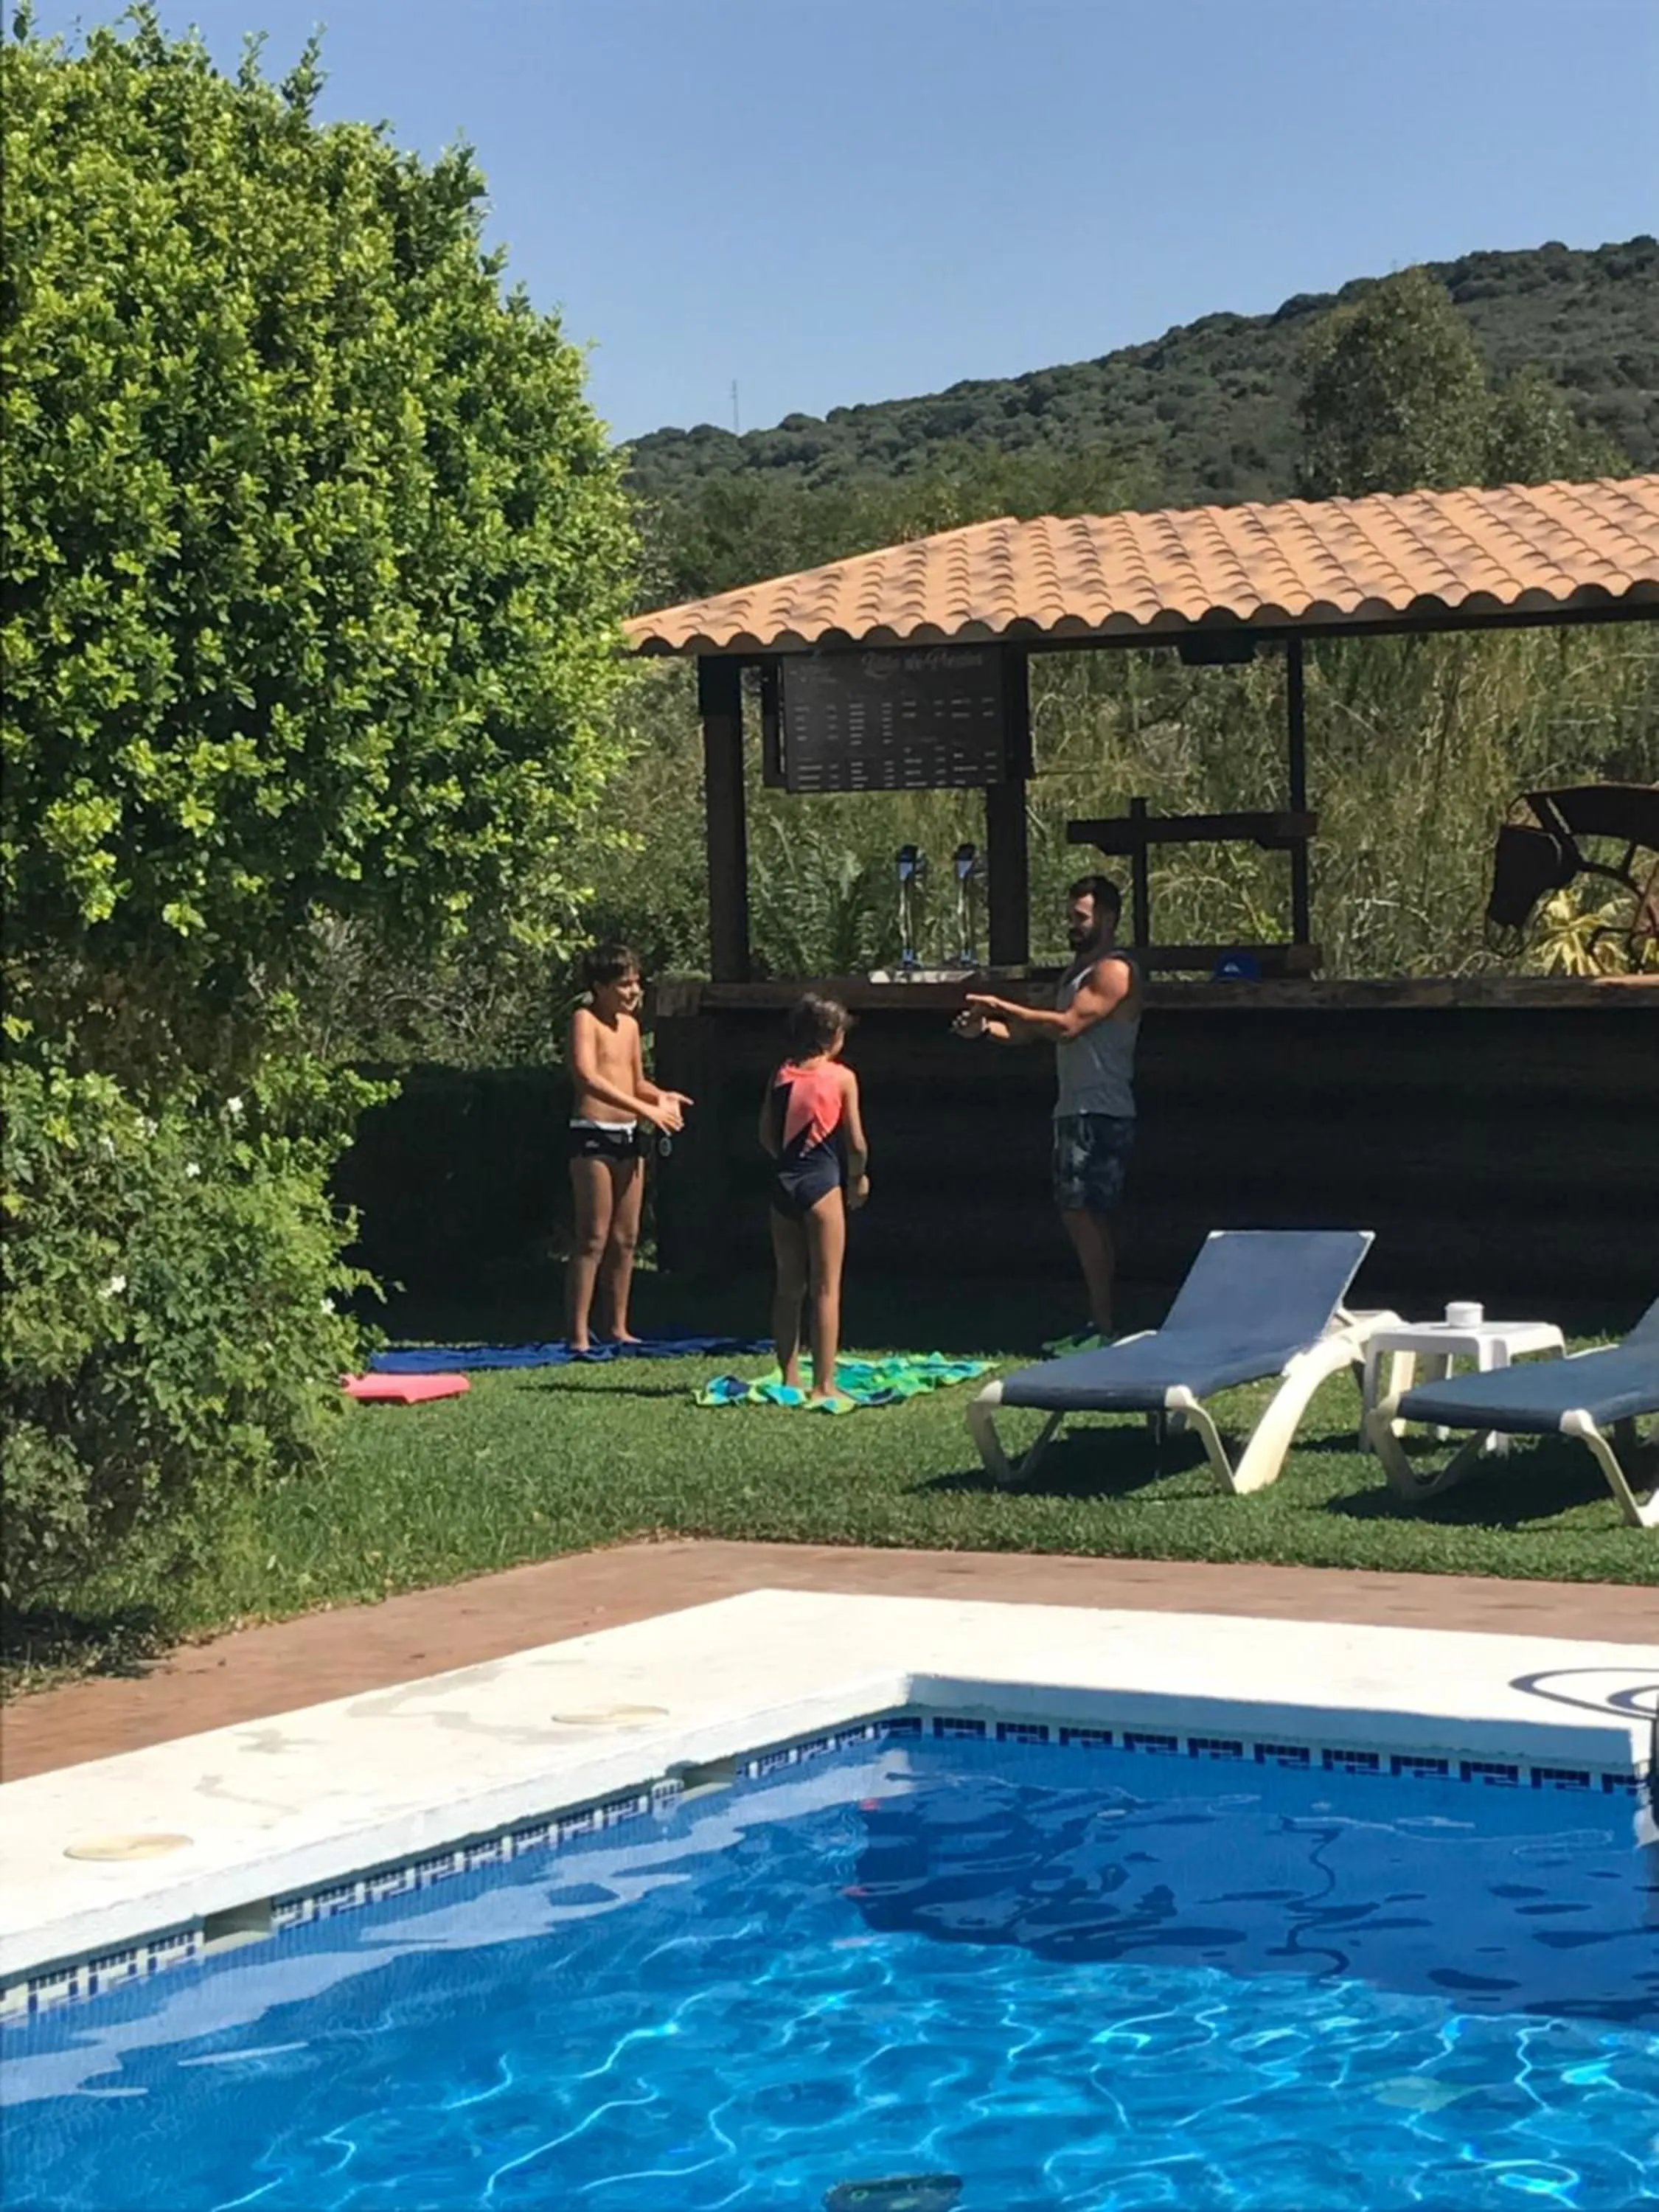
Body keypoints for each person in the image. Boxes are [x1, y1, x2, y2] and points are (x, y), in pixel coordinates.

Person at [953, 875, 1141, 1342]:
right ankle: (1098, 1324)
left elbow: (1066, 1027)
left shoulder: (1115, 971)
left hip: (1101, 1111)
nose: (1072, 925)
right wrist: (985, 1028)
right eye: (1070, 917)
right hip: (1074, 1109)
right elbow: (1030, 1032)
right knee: (1083, 1214)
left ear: (1108, 918)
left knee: (1084, 1213)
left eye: (1081, 917)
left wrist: (1000, 1003)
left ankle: (1101, 1326)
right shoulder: (1076, 974)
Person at [566, 944, 692, 1353]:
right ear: (599, 987)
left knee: (627, 1237)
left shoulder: (632, 1028)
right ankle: (578, 1334)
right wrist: (644, 1109)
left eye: (637, 982)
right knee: (593, 1236)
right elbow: (587, 1077)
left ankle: (618, 1326)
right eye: (624, 984)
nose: (633, 991)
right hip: (592, 1133)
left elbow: (636, 1082)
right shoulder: (584, 1019)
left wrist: (661, 1097)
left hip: (628, 1136)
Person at [759, 993, 870, 1403]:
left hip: (783, 1182)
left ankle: (789, 1376)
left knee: (789, 1285)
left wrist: (788, 1164)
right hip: (821, 1184)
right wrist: (857, 1178)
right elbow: (855, 1141)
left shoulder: (781, 1074)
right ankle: (824, 1383)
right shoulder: (842, 1078)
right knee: (827, 1287)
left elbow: (766, 1135)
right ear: (834, 1036)